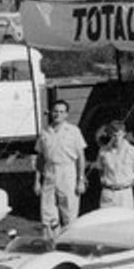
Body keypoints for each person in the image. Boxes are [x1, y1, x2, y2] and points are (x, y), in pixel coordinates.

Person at [34, 99, 87, 237]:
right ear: (51, 113)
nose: (58, 114)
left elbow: (81, 157)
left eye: (61, 112)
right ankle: (51, 243)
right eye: (55, 111)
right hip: (50, 172)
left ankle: (71, 242)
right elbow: (40, 158)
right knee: (47, 212)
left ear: (66, 114)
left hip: (67, 171)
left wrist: (80, 179)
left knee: (69, 211)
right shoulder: (45, 132)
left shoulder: (74, 131)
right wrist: (37, 181)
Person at [96, 119, 134, 208]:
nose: (116, 137)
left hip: (125, 194)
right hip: (108, 193)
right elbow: (100, 170)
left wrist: (126, 185)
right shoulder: (103, 151)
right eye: (113, 135)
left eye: (118, 134)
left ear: (124, 133)